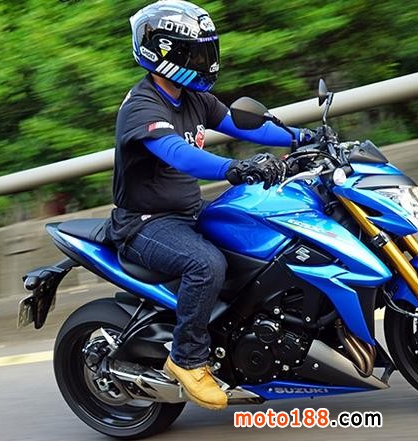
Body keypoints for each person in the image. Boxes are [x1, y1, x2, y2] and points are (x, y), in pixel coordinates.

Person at [106, 0, 312, 410]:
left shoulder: (194, 97)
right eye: (195, 53)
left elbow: (243, 124)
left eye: (206, 51)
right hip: (146, 224)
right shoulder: (142, 106)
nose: (205, 61)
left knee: (264, 235)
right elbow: (179, 154)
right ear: (164, 53)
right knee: (206, 265)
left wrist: (303, 138)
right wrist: (234, 168)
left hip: (188, 212)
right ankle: (186, 359)